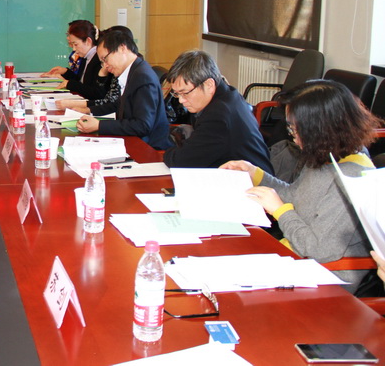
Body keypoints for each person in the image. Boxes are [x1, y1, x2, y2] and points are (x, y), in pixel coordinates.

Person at [221, 80, 378, 291]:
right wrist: (255, 174)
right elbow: (295, 196)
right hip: (294, 256)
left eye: (296, 130)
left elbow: (318, 249)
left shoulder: (351, 178)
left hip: (323, 277)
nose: (293, 138)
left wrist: (280, 211)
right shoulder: (324, 155)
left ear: (320, 130)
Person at [162, 50, 273, 173]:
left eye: (185, 93)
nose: (181, 100)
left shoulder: (218, 117)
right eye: (177, 94)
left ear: (209, 85)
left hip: (250, 182)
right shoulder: (228, 94)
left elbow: (181, 161)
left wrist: (167, 153)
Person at [73, 29, 172, 150]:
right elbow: (118, 105)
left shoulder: (142, 76)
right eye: (102, 62)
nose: (105, 66)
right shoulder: (134, 71)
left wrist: (99, 125)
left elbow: (143, 125)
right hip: (134, 140)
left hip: (148, 148)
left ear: (122, 48)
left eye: (105, 59)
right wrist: (88, 111)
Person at [42, 20, 107, 100]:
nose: (74, 49)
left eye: (76, 44)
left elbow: (97, 93)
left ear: (88, 41)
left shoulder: (99, 60)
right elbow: (80, 80)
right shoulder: (86, 56)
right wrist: (65, 72)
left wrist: (70, 84)